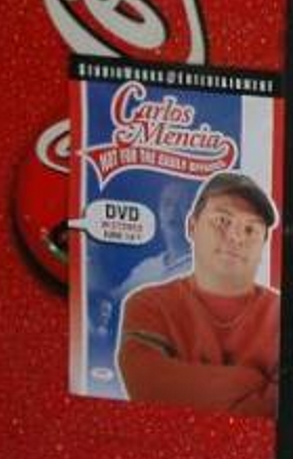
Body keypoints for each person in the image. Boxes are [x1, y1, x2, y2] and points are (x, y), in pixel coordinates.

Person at [116, 170, 281, 417]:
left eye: (250, 230)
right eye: (222, 221)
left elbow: (290, 407)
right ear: (192, 226)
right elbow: (150, 389)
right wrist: (253, 382)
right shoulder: (148, 304)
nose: (235, 237)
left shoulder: (287, 316)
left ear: (263, 246)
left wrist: (193, 383)